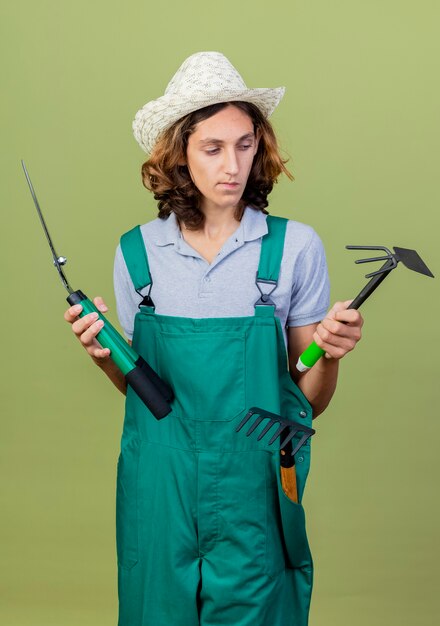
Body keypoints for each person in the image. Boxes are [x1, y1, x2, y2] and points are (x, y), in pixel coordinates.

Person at [64, 52, 363, 626]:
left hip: (254, 483)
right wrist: (103, 352)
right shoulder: (137, 254)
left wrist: (328, 351)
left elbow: (308, 398)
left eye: (246, 144)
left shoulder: (294, 248)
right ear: (179, 155)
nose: (234, 165)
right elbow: (143, 391)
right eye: (213, 148)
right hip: (160, 483)